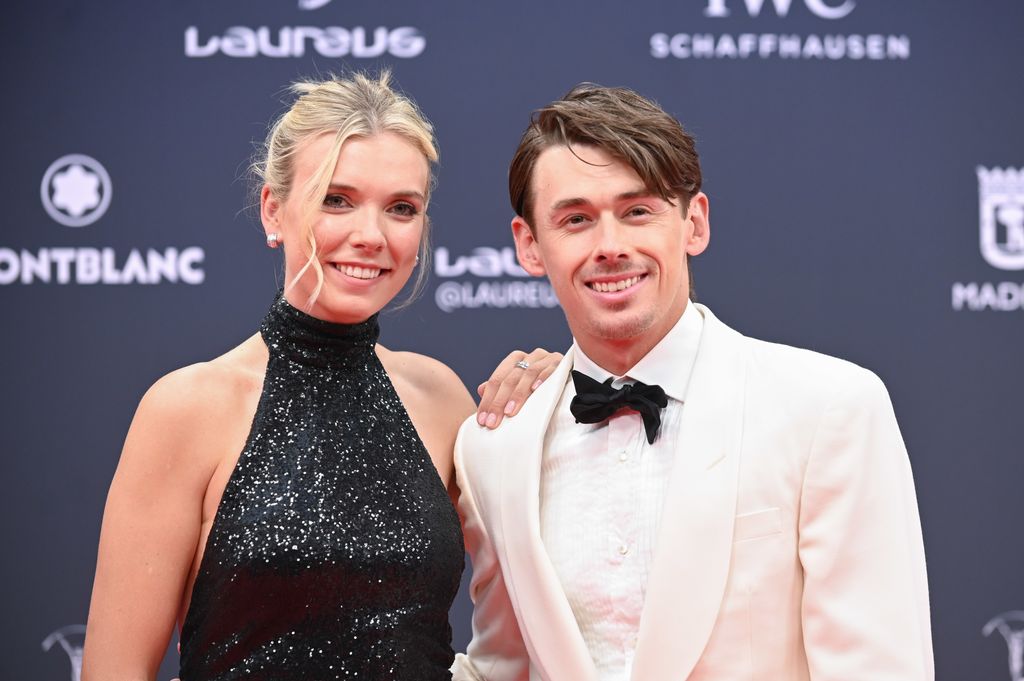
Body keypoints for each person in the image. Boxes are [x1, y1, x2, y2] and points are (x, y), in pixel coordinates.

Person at [81, 72, 557, 681]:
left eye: (401, 209)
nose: (370, 235)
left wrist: (551, 382)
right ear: (272, 208)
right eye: (337, 200)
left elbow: (539, 584)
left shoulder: (440, 398)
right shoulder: (187, 408)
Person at [452, 84, 933, 680]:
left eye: (638, 211)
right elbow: (502, 668)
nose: (610, 247)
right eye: (576, 219)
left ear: (694, 223)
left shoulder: (830, 408)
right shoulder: (494, 445)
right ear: (530, 245)